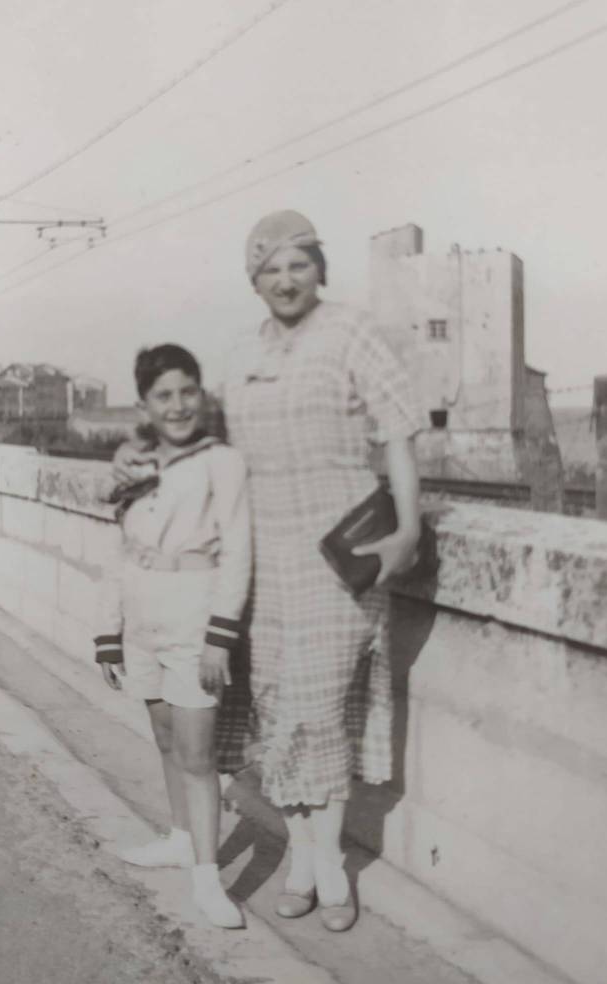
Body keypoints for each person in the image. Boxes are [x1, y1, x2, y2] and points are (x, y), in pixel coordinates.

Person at [114, 211, 421, 932]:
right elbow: (198, 433)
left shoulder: (351, 332)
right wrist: (134, 453)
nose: (285, 280)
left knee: (319, 711)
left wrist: (406, 531)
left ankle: (327, 870)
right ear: (253, 280)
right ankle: (305, 861)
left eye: (298, 265)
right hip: (258, 563)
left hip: (339, 559)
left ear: (320, 268)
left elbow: (399, 429)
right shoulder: (240, 350)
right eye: (270, 269)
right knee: (276, 712)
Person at [93, 343, 252, 929]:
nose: (178, 405)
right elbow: (121, 549)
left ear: (201, 394)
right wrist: (108, 632)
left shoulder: (223, 463)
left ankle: (208, 881)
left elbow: (238, 551)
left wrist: (220, 637)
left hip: (194, 615)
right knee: (164, 740)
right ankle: (181, 838)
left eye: (188, 391)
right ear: (145, 403)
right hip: (143, 617)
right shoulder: (133, 463)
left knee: (198, 754)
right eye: (164, 395)